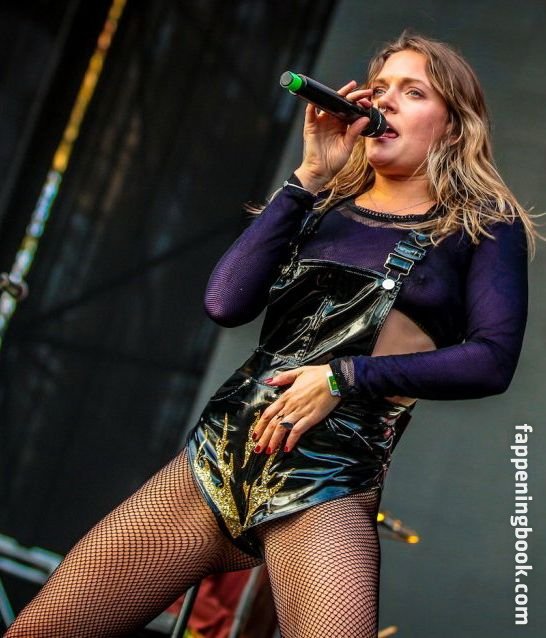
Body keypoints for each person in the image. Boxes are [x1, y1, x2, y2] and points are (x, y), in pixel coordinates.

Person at [5, 32, 538, 638]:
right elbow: (225, 304)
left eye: (412, 92)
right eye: (380, 87)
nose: (385, 101)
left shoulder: (481, 228)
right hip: (217, 458)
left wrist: (344, 376)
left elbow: (491, 360)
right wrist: (309, 175)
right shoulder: (319, 205)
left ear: (454, 126)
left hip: (328, 476)